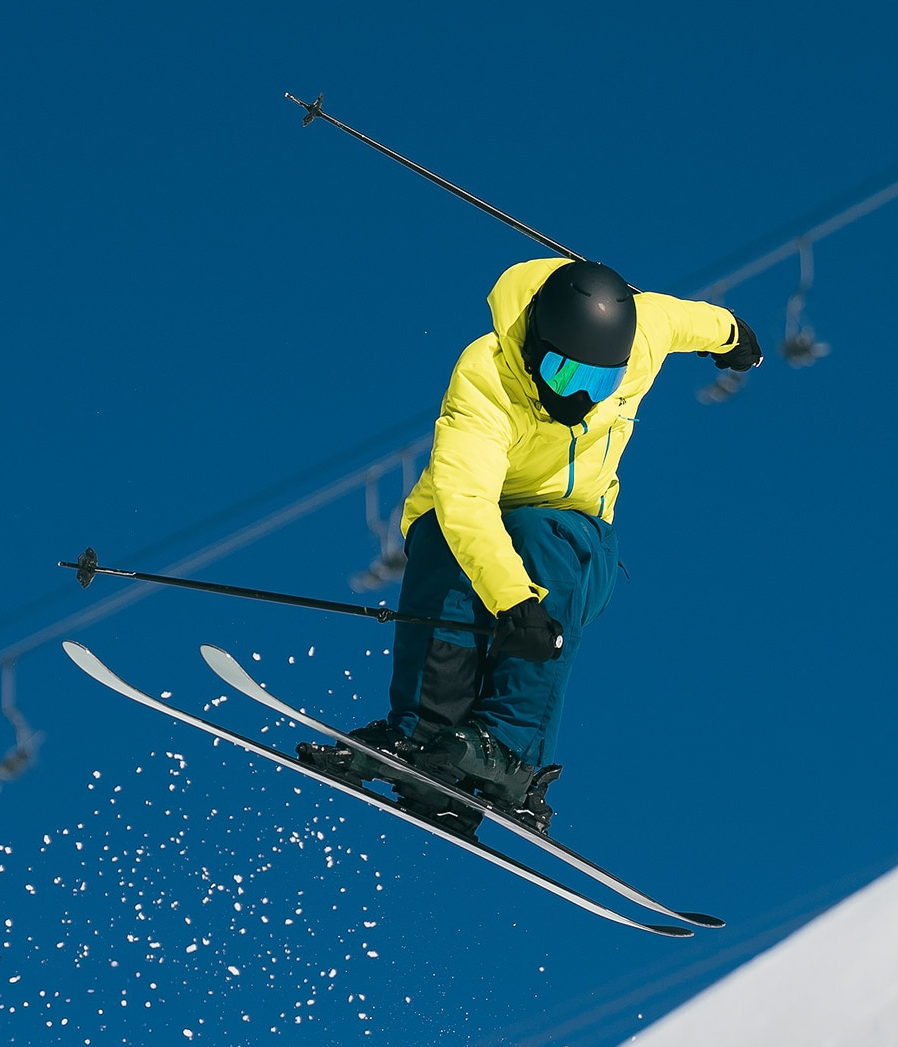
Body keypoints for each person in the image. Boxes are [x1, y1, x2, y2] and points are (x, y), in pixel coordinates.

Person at [301, 257, 760, 834]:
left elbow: (689, 321)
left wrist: (735, 336)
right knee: (444, 533)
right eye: (566, 377)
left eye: (602, 382)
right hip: (476, 527)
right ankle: (423, 735)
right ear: (536, 347)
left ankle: (510, 751)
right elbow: (466, 500)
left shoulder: (642, 337)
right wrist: (513, 600)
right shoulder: (488, 377)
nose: (583, 397)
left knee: (540, 532)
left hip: (575, 544)